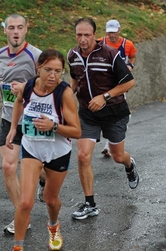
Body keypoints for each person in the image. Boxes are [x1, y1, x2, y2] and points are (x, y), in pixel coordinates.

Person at [4, 49, 81, 251]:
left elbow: (76, 131)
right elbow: (18, 102)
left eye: (58, 71)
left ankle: (54, 226)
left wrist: (53, 126)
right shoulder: (29, 86)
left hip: (58, 152)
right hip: (32, 149)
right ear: (38, 68)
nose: (52, 76)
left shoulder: (63, 93)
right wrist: (13, 129)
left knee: (50, 199)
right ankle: (17, 250)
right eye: (48, 70)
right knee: (26, 202)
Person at [67, 17, 139, 220]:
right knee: (83, 156)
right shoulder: (72, 55)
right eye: (79, 35)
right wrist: (63, 98)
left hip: (114, 113)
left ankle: (129, 165)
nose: (82, 39)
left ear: (94, 35)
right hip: (87, 114)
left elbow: (129, 82)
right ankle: (90, 204)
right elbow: (75, 78)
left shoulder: (110, 54)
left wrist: (104, 96)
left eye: (86, 35)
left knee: (117, 156)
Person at [0, 14, 43, 235]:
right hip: (8, 119)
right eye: (11, 28)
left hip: (33, 121)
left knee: (43, 171)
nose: (16, 32)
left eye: (20, 27)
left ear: (26, 29)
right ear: (5, 31)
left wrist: (27, 88)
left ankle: (44, 181)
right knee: (8, 167)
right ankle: (22, 217)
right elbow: (2, 74)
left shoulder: (36, 55)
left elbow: (50, 83)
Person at [97, 19, 137, 157]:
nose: (111, 35)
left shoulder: (128, 44)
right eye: (109, 33)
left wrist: (130, 66)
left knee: (118, 111)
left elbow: (132, 57)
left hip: (120, 82)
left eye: (114, 33)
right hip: (103, 82)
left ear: (119, 30)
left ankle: (110, 144)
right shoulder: (99, 43)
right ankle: (109, 140)